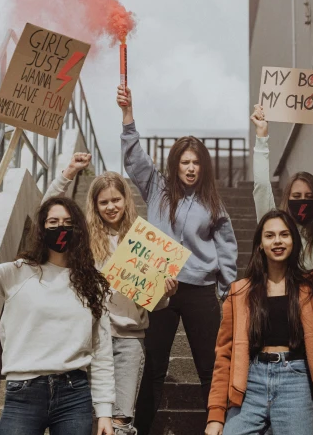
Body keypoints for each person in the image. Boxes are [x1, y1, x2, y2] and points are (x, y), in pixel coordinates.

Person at [205, 172, 313, 435]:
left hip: (294, 382)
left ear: (293, 242)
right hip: (251, 382)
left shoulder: (308, 288)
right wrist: (216, 416)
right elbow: (224, 356)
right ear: (260, 244)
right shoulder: (239, 293)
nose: (277, 241)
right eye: (270, 236)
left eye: (284, 235)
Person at [116, 84, 238, 435]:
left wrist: (227, 288)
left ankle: (223, 428)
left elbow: (226, 244)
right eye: (185, 161)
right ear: (175, 164)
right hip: (160, 288)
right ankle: (141, 428)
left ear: (204, 166)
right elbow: (134, 158)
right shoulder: (157, 187)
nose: (190, 167)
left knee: (209, 366)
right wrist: (128, 116)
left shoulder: (213, 202)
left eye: (196, 162)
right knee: (153, 366)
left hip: (200, 290)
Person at [44, 154, 178, 435]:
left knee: (120, 421)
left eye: (116, 199)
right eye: (103, 202)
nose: (110, 206)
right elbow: (46, 213)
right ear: (94, 205)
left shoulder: (144, 239)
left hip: (129, 339)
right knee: (89, 419)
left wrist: (166, 293)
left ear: (126, 200)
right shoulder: (82, 239)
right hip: (90, 338)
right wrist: (67, 174)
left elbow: (155, 301)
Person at [0, 195, 115, 435]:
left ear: (78, 229)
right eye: (53, 222)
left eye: (67, 221)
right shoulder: (17, 272)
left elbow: (102, 350)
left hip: (75, 395)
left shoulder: (93, 284)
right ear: (42, 227)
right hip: (23, 393)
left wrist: (104, 411)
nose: (60, 227)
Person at [250, 102, 313, 435]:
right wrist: (262, 138)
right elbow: (262, 190)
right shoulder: (280, 231)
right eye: (295, 195)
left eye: (309, 195)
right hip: (290, 332)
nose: (302, 200)